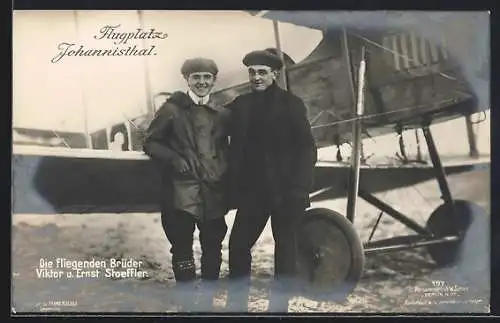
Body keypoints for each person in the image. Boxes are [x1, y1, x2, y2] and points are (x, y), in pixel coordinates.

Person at [224, 49, 317, 312]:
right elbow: (213, 123)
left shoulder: (292, 104)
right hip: (254, 193)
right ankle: (237, 306)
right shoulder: (240, 105)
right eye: (252, 72)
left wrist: (300, 188)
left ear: (274, 74)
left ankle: (279, 310)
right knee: (238, 245)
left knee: (285, 252)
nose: (256, 77)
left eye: (262, 72)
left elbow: (307, 148)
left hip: (287, 192)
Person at [142, 58, 229, 311]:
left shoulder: (221, 113)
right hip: (180, 190)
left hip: (212, 189)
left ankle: (209, 298)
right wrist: (173, 158)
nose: (201, 82)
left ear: (214, 80)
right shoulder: (171, 109)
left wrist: (222, 168)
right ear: (187, 80)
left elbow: (226, 147)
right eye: (196, 77)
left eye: (206, 77)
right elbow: (150, 142)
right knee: (181, 246)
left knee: (213, 244)